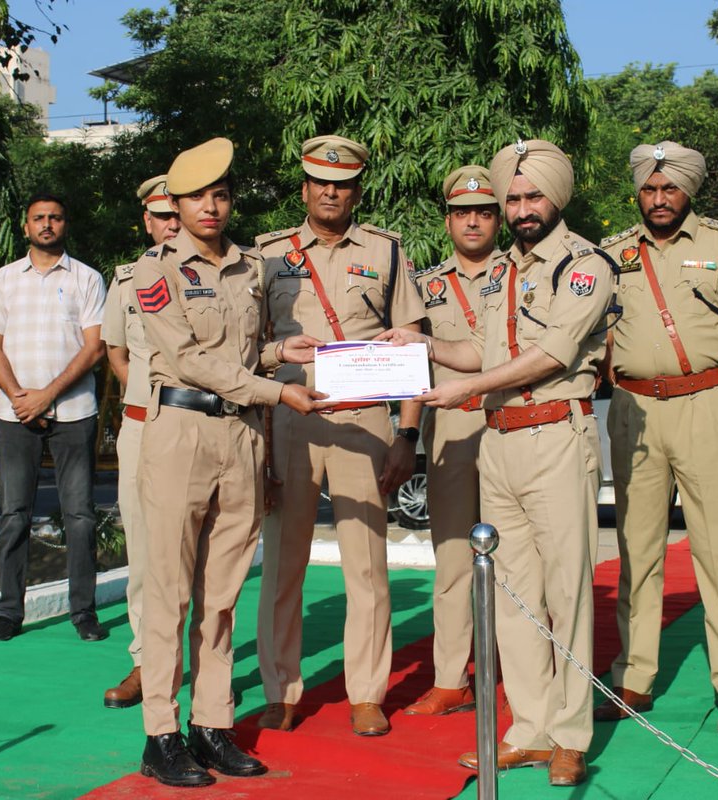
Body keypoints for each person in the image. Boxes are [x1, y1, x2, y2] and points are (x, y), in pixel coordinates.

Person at [379, 139, 614, 786]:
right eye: (513, 197)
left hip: (554, 435)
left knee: (567, 592)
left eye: (531, 195)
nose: (519, 207)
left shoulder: (586, 265)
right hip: (499, 441)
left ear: (556, 197)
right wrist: (422, 343)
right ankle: (530, 729)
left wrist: (468, 388)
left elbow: (553, 353)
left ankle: (570, 734)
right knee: (512, 598)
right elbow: (480, 348)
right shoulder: (503, 270)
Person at [131, 138, 325, 787]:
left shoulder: (253, 266)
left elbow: (241, 357)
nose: (209, 207)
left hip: (240, 438)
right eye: (195, 198)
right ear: (176, 205)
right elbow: (189, 359)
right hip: (181, 432)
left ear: (229, 200)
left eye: (220, 195)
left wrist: (278, 354)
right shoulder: (151, 271)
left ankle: (211, 725)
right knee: (169, 595)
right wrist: (277, 388)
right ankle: (160, 734)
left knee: (221, 598)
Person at [595, 141, 718, 736]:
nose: (658, 199)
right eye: (648, 190)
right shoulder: (613, 253)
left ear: (687, 191)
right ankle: (633, 677)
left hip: (706, 404)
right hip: (634, 411)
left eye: (668, 189)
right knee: (636, 549)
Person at [254, 134, 426, 737]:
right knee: (282, 565)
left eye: (343, 183)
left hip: (364, 421)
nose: (331, 191)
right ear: (304, 188)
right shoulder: (267, 256)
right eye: (320, 182)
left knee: (367, 565)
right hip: (291, 421)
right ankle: (281, 690)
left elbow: (411, 347)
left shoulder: (386, 252)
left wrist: (408, 434)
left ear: (356, 190)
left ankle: (367, 692)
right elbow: (248, 349)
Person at [0, 193, 108, 642]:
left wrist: (46, 396)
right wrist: (20, 398)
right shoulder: (4, 279)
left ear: (65, 224)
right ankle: (10, 612)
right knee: (14, 514)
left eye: (55, 217)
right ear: (26, 225)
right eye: (39, 218)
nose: (47, 224)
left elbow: (94, 347)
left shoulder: (88, 279)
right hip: (14, 415)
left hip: (73, 412)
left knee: (80, 516)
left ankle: (84, 614)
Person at [402, 165, 501, 717]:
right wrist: (408, 433)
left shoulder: (520, 275)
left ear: (497, 219)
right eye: (462, 212)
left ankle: (528, 669)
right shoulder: (426, 285)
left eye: (484, 212)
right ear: (447, 221)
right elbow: (416, 366)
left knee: (522, 559)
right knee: (452, 558)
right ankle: (449, 678)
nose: (472, 221)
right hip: (453, 428)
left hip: (513, 422)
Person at [99, 174, 182, 709]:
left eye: (178, 213)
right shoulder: (126, 280)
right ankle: (145, 663)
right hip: (141, 426)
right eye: (162, 216)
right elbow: (117, 355)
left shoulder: (222, 274)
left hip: (198, 425)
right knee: (145, 552)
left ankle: (201, 658)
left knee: (201, 558)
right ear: (147, 221)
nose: (171, 224)